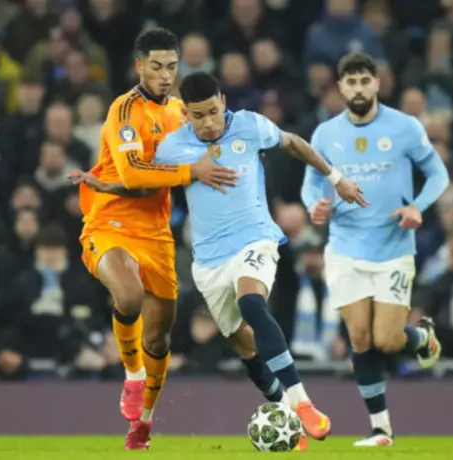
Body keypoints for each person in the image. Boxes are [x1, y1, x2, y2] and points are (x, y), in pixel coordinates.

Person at [152, 72, 365, 442]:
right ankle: (286, 415)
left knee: (251, 302)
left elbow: (293, 142)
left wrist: (336, 179)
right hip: (208, 261)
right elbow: (146, 182)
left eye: (213, 112)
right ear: (185, 113)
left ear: (223, 101)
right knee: (244, 345)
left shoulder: (250, 126)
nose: (208, 122)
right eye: (198, 116)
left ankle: (302, 403)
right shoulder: (172, 147)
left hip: (255, 239)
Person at [69, 28, 236, 450]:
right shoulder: (124, 110)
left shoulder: (180, 111)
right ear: (139, 66)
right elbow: (131, 174)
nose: (165, 75)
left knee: (159, 338)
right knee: (127, 295)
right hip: (111, 221)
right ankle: (132, 375)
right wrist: (191, 172)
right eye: (157, 66)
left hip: (157, 233)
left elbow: (215, 139)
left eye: (172, 67)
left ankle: (144, 419)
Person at [301, 52, 450, 447]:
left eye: (365, 81)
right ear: (340, 87)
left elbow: (438, 174)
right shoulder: (325, 134)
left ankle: (422, 338)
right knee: (360, 338)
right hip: (345, 248)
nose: (358, 88)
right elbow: (310, 184)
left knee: (387, 340)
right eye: (351, 82)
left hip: (393, 248)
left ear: (377, 84)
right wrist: (314, 206)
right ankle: (381, 429)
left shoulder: (405, 127)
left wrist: (418, 206)